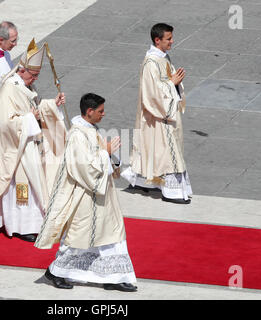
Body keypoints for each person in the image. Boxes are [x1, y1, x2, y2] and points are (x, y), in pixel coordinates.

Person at [35, 93, 137, 292]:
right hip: (84, 194)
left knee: (110, 233)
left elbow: (99, 157)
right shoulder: (77, 135)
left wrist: (111, 155)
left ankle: (113, 276)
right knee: (79, 236)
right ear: (89, 112)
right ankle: (55, 271)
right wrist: (105, 152)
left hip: (101, 194)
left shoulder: (91, 129)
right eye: (100, 111)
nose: (103, 114)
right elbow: (82, 167)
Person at [0, 38, 67, 242]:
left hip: (28, 142)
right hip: (16, 146)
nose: (35, 79)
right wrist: (30, 119)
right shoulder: (10, 88)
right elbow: (5, 122)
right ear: (22, 71)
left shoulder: (24, 85)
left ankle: (28, 223)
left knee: (32, 182)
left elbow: (34, 108)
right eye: (34, 75)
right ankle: (21, 226)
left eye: (37, 75)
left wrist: (52, 105)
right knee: (23, 185)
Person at [121, 23, 193, 204]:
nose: (172, 41)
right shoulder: (150, 64)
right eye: (168, 39)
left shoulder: (163, 57)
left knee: (154, 150)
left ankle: (143, 181)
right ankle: (172, 192)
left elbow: (166, 83)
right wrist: (172, 83)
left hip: (164, 113)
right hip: (157, 116)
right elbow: (152, 94)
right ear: (157, 40)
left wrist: (175, 83)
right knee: (167, 153)